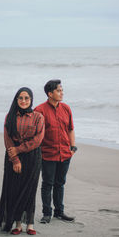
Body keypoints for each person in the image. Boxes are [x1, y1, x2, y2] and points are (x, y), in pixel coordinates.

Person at [0, 87, 45, 235]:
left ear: (31, 100)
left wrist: (20, 149)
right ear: (16, 100)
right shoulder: (10, 117)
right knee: (15, 189)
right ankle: (17, 224)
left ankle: (30, 224)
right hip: (12, 156)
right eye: (20, 98)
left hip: (33, 156)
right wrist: (15, 158)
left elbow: (38, 139)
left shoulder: (38, 117)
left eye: (26, 98)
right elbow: (7, 139)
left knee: (29, 190)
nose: (23, 101)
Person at [35, 79, 77, 224]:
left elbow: (70, 129)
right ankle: (47, 213)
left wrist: (73, 148)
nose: (62, 93)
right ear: (50, 93)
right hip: (47, 154)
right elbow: (35, 134)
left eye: (62, 90)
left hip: (65, 154)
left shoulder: (66, 108)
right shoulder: (39, 110)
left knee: (60, 183)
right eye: (59, 90)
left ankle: (59, 212)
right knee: (48, 184)